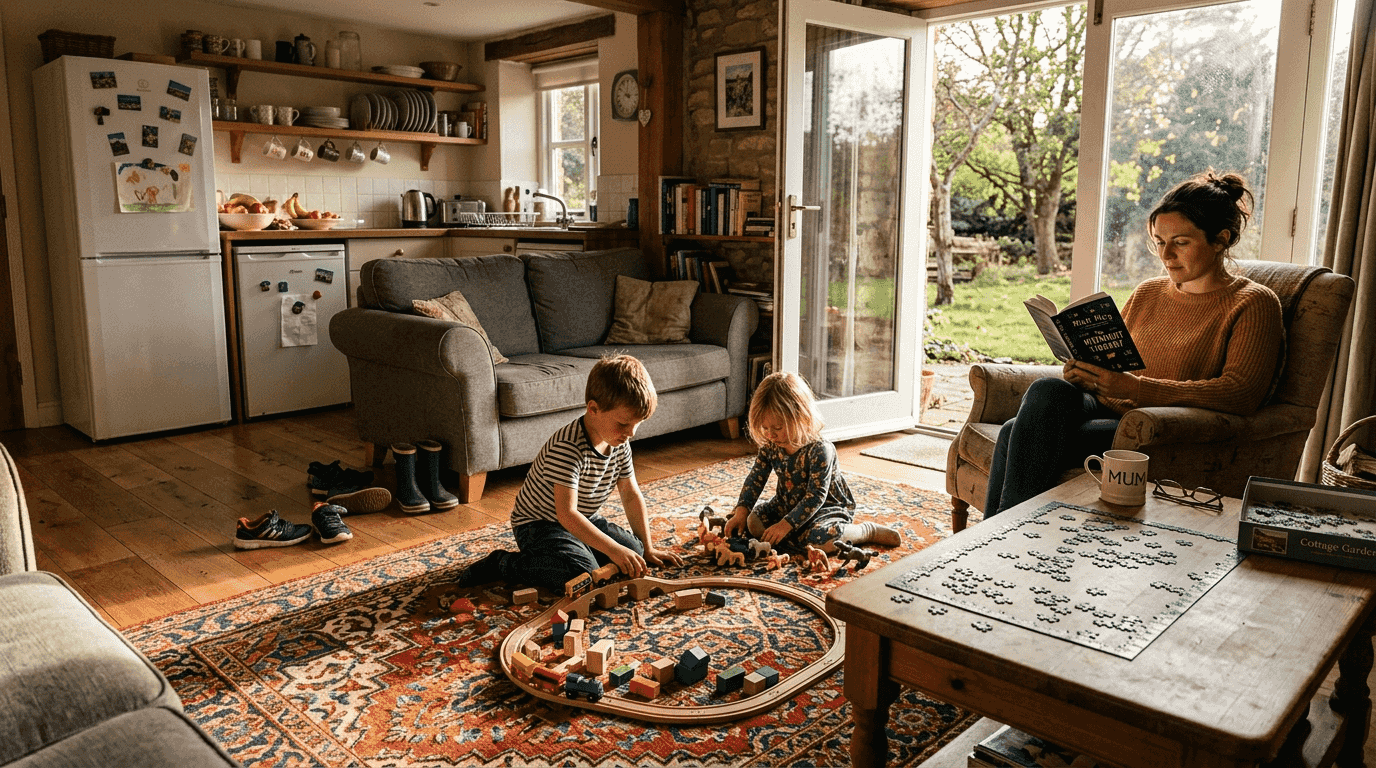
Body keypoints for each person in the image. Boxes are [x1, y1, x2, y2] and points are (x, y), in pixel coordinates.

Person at [983, 170, 1284, 517]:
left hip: (1156, 427)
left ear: (1220, 239)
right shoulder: (1148, 292)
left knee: (1011, 432)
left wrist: (1136, 388)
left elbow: (1241, 393)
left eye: (1180, 242)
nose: (1166, 254)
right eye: (1159, 241)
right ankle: (1005, 538)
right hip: (1105, 405)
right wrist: (1086, 369)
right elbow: (1117, 365)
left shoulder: (1253, 303)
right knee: (1049, 389)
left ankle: (996, 537)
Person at [457, 355, 684, 589]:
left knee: (634, 552)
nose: (632, 433)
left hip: (582, 518)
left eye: (638, 424)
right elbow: (566, 514)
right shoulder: (567, 447)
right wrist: (613, 549)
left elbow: (629, 492)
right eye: (624, 424)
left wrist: (647, 547)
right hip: (540, 525)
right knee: (580, 573)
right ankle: (503, 563)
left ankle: (581, 549)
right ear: (593, 408)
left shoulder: (618, 441)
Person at [723, 371, 902, 551]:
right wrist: (741, 512)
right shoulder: (771, 445)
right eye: (765, 428)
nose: (770, 434)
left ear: (801, 417)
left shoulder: (820, 449)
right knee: (753, 521)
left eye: (777, 427)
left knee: (823, 539)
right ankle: (795, 538)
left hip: (824, 510)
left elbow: (816, 496)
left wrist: (785, 525)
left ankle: (866, 531)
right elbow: (756, 478)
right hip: (786, 505)